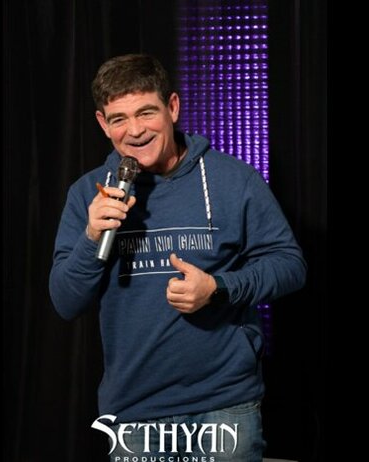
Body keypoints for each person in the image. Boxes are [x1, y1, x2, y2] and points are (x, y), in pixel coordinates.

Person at [49, 53, 306, 461]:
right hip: (134, 413)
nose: (135, 131)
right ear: (103, 123)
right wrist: (91, 237)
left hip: (224, 405)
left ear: (172, 107)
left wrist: (218, 288)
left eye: (146, 112)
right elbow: (66, 302)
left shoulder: (233, 179)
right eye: (119, 119)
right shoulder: (88, 194)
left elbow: (290, 265)